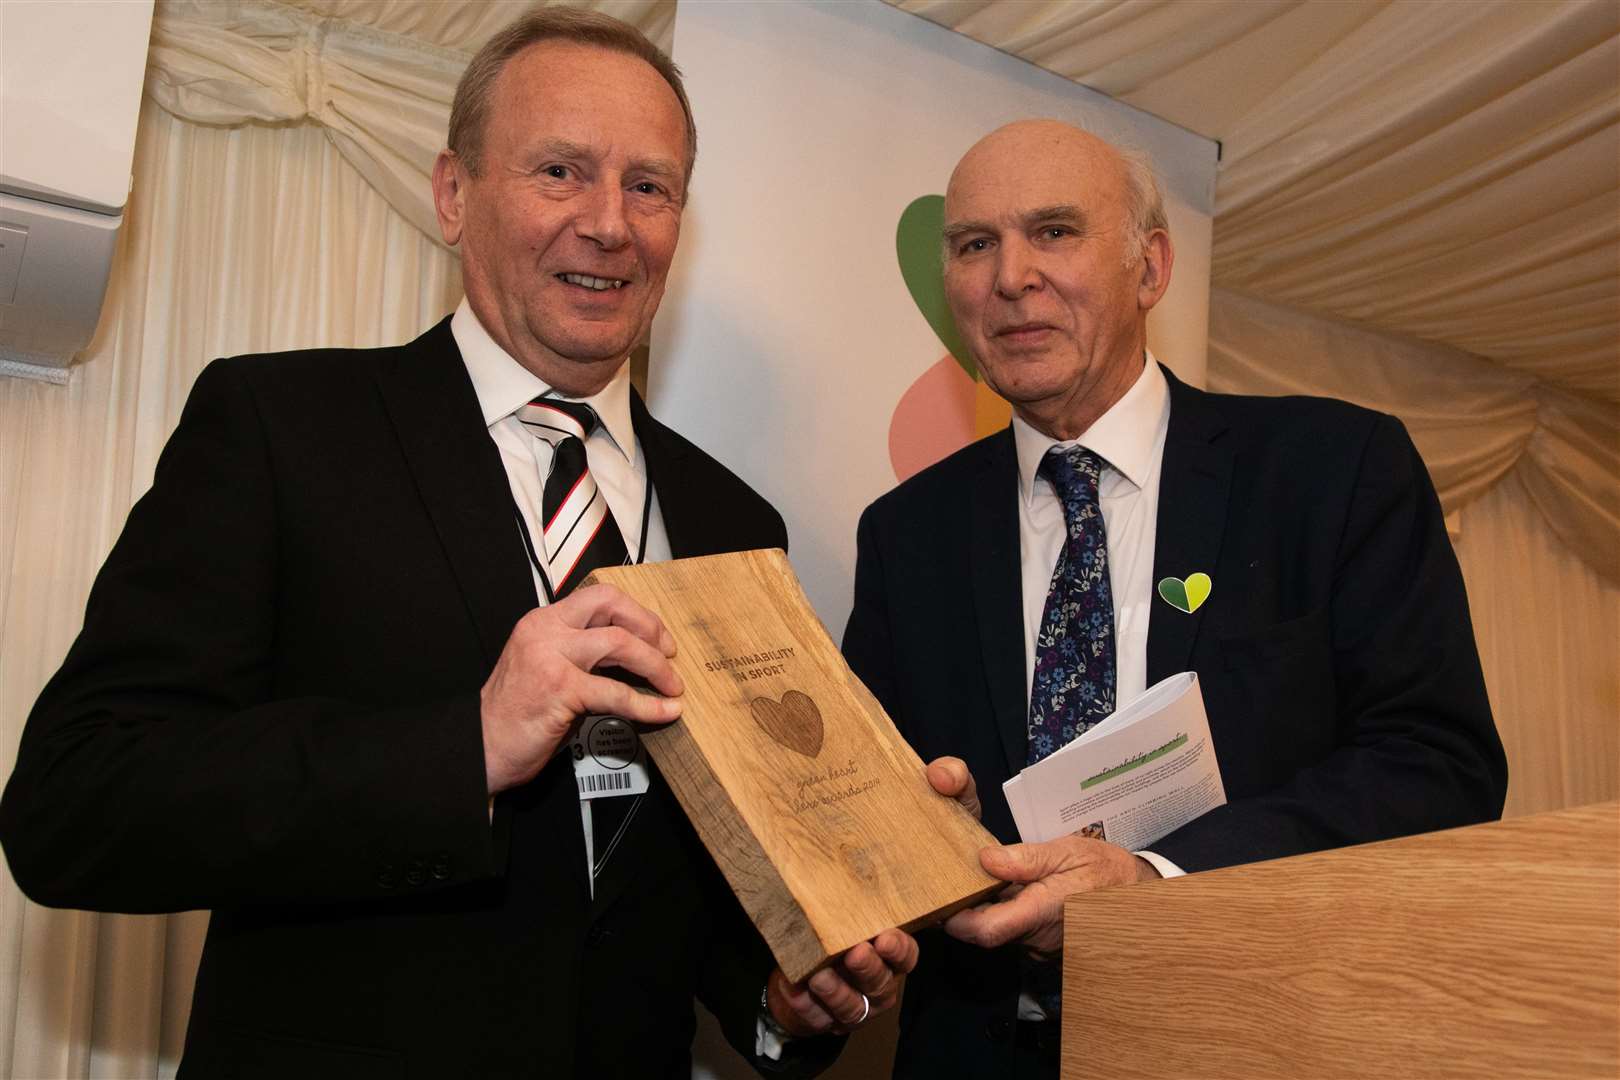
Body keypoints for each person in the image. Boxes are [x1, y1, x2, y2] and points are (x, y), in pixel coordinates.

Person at [0, 11, 913, 1078]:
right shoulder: (281, 427)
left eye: (650, 186)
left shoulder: (734, 523)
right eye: (561, 170)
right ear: (453, 193)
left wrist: (781, 996)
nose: (609, 224)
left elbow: (666, 894)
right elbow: (77, 805)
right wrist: (466, 746)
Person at [842, 119, 1508, 1078]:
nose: (1010, 276)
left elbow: (1438, 766)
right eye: (975, 244)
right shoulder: (907, 534)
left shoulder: (1332, 471)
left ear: (1150, 269)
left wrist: (1155, 880)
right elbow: (879, 815)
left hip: (1248, 1040)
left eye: (1055, 231)